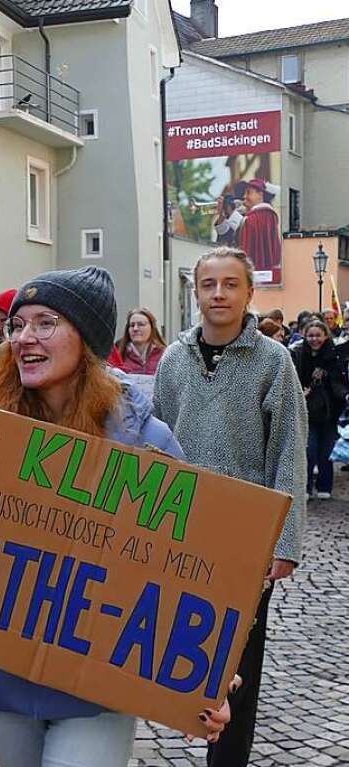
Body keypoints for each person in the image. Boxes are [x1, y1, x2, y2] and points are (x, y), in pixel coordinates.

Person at [0, 266, 231, 766]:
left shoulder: (147, 444)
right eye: (17, 325)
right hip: (1, 681)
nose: (23, 338)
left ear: (88, 340)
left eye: (46, 322)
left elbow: (195, 567)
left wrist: (212, 672)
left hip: (97, 692)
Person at [154, 246, 306, 767]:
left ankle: (228, 760)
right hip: (185, 528)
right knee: (188, 646)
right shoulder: (173, 360)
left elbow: (288, 451)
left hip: (246, 536)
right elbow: (157, 443)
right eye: (208, 284)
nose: (218, 294)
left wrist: (284, 541)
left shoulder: (274, 361)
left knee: (239, 659)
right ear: (194, 292)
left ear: (248, 293)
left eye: (230, 284)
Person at [294, 320, 348, 500]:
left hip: (329, 411)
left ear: (325, 335)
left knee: (326, 452)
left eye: (318, 335)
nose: (314, 339)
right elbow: (293, 378)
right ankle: (306, 487)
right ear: (304, 335)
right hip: (306, 409)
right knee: (308, 451)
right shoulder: (299, 354)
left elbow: (338, 382)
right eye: (311, 335)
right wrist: (300, 390)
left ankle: (325, 486)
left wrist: (344, 395)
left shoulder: (334, 355)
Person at [238, 179, 282, 281]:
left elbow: (246, 254)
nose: (245, 197)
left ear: (260, 194)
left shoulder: (250, 219)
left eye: (248, 192)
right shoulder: (272, 217)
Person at [107, 308, 167, 375]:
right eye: (132, 325)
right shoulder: (118, 353)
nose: (135, 328)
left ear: (152, 327)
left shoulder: (165, 354)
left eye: (141, 324)